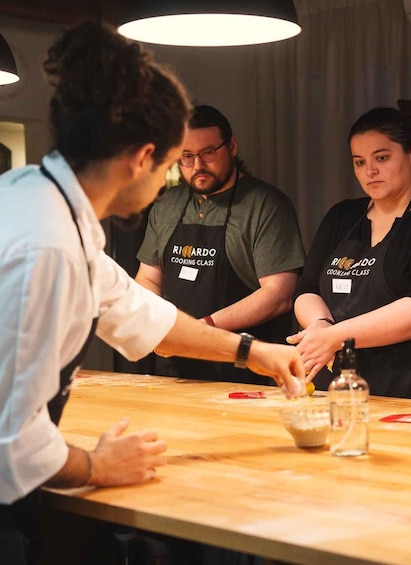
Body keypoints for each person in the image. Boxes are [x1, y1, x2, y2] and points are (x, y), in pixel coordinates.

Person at [0, 22, 304, 564]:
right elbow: (12, 446)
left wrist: (254, 353)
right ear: (142, 159)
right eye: (169, 165)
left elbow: (143, 314)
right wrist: (99, 467)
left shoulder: (37, 201)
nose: (175, 177)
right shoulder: (47, 247)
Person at [288, 107, 411, 400]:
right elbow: (306, 287)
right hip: (334, 389)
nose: (370, 171)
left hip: (409, 394)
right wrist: (320, 325)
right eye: (359, 162)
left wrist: (335, 337)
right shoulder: (341, 217)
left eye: (382, 158)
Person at [135, 105, 305, 385]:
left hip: (246, 372)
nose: (198, 166)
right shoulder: (166, 205)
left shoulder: (265, 205)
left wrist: (203, 329)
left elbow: (278, 295)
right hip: (174, 371)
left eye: (208, 153)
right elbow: (148, 277)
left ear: (232, 146)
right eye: (187, 157)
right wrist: (155, 323)